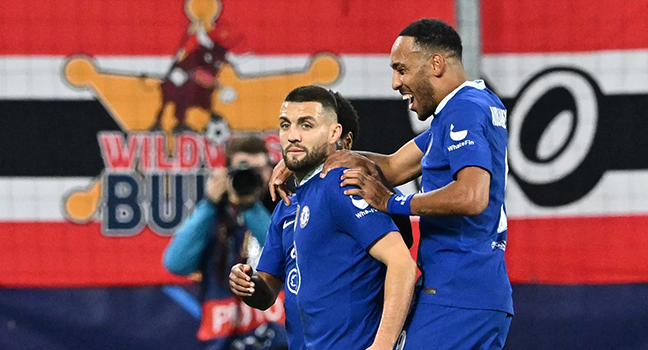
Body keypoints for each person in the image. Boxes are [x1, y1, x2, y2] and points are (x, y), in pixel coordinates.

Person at [270, 19, 513, 350]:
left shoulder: (463, 110)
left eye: (402, 69)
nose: (396, 82)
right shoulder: (476, 105)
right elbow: (395, 166)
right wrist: (308, 157)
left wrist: (392, 203)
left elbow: (472, 196)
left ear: (436, 64)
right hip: (481, 290)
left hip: (457, 291)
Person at [232, 85, 417, 350]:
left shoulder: (342, 185)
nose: (293, 135)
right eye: (285, 126)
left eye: (306, 126)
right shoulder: (286, 205)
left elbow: (402, 263)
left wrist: (382, 345)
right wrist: (247, 283)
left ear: (335, 133)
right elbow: (267, 292)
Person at [163, 135, 288, 350]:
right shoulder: (213, 218)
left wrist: (250, 207)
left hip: (279, 341)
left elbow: (285, 254)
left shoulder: (284, 209)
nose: (252, 176)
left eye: (259, 168)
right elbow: (175, 263)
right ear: (228, 174)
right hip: (222, 342)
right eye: (243, 169)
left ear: (270, 170)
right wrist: (210, 203)